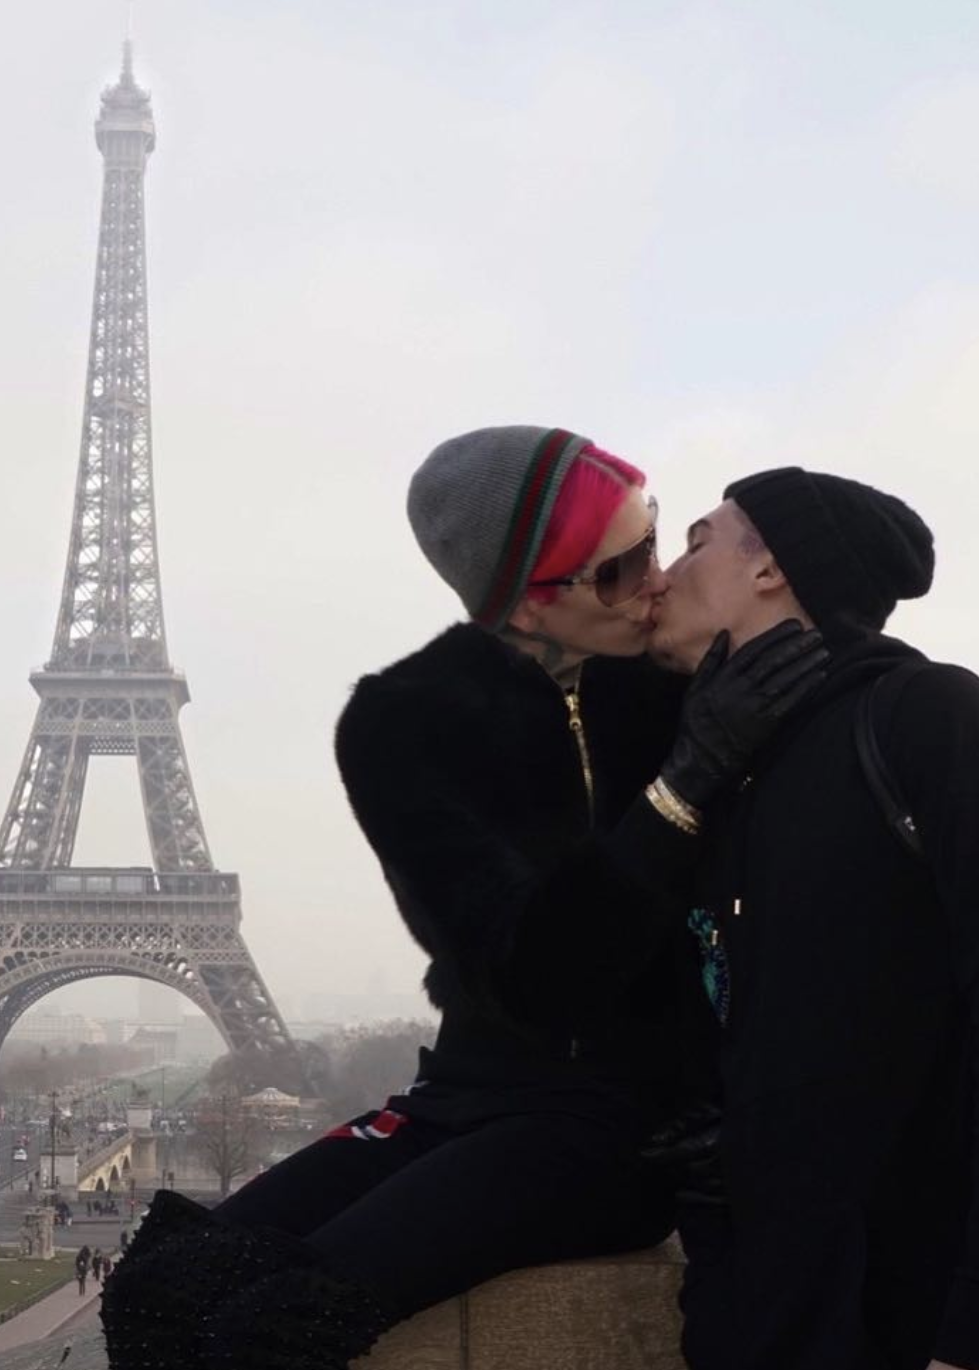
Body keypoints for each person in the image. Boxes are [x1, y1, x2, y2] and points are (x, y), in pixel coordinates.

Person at [101, 425, 825, 1370]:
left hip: (621, 1127)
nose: (655, 580)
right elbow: (535, 974)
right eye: (617, 570)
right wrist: (679, 790)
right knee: (158, 1289)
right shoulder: (401, 722)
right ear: (526, 605)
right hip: (472, 1089)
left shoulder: (684, 679)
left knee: (270, 1322)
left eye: (653, 538)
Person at [648, 467, 979, 1370]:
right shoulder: (728, 772)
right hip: (784, 1315)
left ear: (769, 567)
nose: (664, 573)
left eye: (698, 539)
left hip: (938, 1314)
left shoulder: (929, 717)